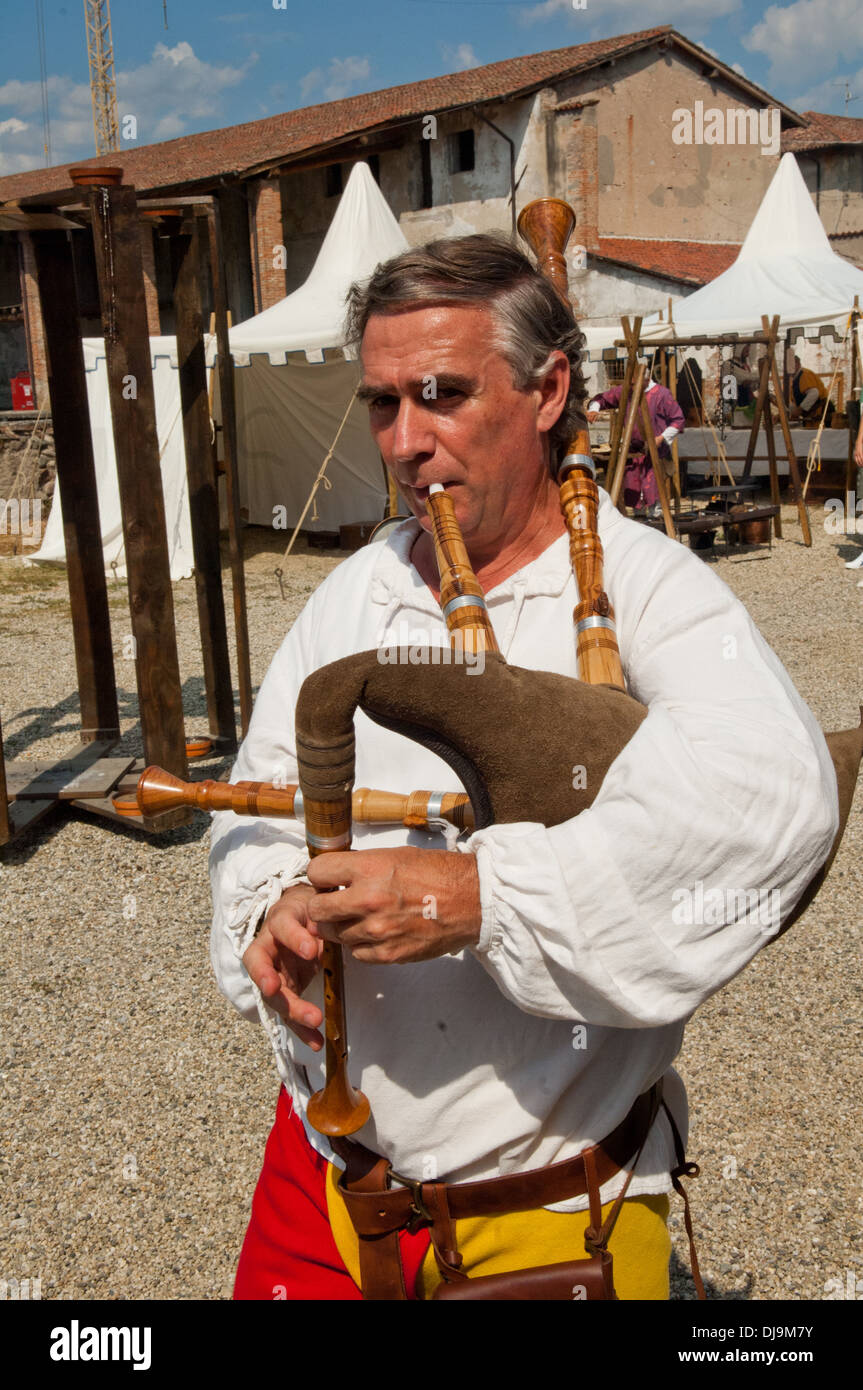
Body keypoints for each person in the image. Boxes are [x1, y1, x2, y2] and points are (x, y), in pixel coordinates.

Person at [208, 234, 838, 1301]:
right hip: (324, 1171)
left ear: (545, 391)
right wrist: (269, 903)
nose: (404, 443)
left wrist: (485, 896)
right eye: (380, 404)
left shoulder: (646, 588)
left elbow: (772, 797)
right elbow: (255, 793)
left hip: (545, 1208)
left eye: (441, 395)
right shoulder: (354, 591)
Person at [586, 369, 684, 514]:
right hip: (633, 452)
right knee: (635, 496)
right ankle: (639, 525)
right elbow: (602, 399)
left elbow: (678, 420)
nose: (632, 386)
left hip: (655, 454)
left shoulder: (662, 394)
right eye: (630, 383)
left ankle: (657, 526)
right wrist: (594, 409)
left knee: (654, 496)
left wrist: (661, 437)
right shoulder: (625, 391)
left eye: (634, 383)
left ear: (646, 380)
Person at [788, 355, 831, 425]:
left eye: (791, 365)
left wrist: (800, 409)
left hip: (822, 413)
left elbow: (814, 393)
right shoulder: (795, 380)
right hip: (811, 416)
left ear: (798, 364)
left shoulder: (804, 374)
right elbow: (794, 403)